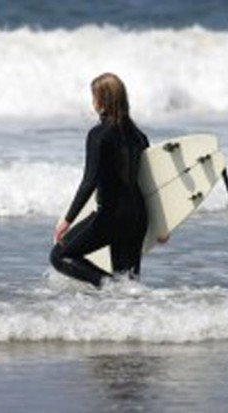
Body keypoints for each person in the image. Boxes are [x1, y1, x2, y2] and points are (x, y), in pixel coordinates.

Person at [50, 73, 150, 288]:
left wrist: (67, 220)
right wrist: (161, 226)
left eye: (93, 96)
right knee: (128, 284)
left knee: (60, 256)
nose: (92, 102)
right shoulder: (139, 137)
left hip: (110, 216)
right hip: (138, 217)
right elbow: (150, 182)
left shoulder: (99, 134)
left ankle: (107, 284)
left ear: (102, 100)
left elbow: (90, 181)